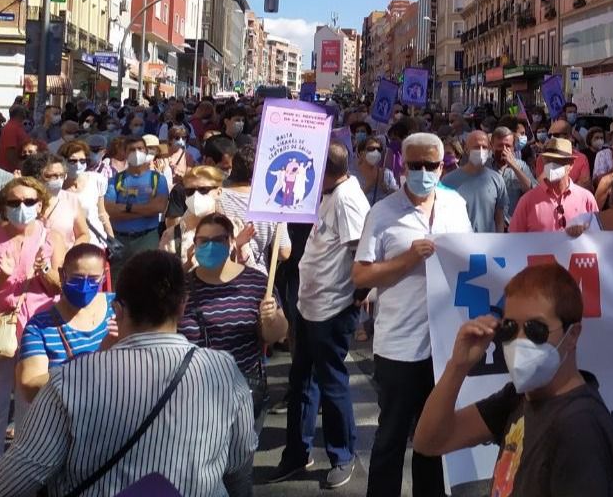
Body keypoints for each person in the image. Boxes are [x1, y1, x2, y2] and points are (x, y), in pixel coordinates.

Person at [0, 249, 256, 496]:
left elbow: (14, 480)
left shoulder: (70, 382)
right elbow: (239, 462)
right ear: (182, 305)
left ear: (118, 309)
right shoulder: (223, 370)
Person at [413, 263, 613, 496]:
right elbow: (430, 441)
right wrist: (458, 366)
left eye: (536, 329)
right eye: (510, 328)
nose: (520, 341)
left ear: (572, 335)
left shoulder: (579, 426)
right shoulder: (519, 398)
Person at [352, 132, 473, 497]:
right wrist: (407, 259)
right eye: (415, 165)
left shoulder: (455, 206)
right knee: (391, 438)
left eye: (430, 165)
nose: (423, 172)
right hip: (399, 346)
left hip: (443, 346)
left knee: (433, 439)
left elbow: (472, 257)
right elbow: (360, 275)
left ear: (441, 166)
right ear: (403, 166)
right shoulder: (383, 212)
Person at [268, 144, 368, 490]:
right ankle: (297, 453)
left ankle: (342, 455)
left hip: (332, 308)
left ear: (329, 172)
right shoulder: (328, 194)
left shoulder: (347, 199)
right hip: (309, 305)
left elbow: (363, 253)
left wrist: (356, 300)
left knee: (332, 384)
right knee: (302, 383)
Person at [0, 176, 68, 457]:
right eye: (14, 202)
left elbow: (61, 287)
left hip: (38, 328)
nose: (22, 207)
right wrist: (1, 277)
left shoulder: (51, 238)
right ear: (3, 207)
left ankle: (30, 463)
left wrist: (44, 271)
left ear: (39, 204)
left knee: (34, 398)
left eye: (29, 202)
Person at [179, 213, 288, 435]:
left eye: (217, 241)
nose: (210, 246)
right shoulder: (180, 288)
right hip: (193, 396)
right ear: (195, 244)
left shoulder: (257, 284)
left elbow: (277, 334)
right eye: (203, 241)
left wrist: (271, 319)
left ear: (230, 242)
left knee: (238, 465)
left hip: (243, 391)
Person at [16, 244, 117, 402]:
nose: (84, 287)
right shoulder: (39, 327)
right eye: (76, 279)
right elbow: (30, 388)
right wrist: (94, 359)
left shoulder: (120, 308)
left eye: (92, 279)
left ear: (103, 276)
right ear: (62, 274)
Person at [160, 166, 253, 267]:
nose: (195, 196)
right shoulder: (172, 236)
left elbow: (250, 272)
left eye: (203, 190)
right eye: (189, 192)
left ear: (219, 192)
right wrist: (187, 267)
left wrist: (240, 250)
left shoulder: (234, 229)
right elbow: (164, 278)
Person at [222, 146, 290, 274]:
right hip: (258, 280)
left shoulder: (218, 197)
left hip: (224, 276)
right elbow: (283, 252)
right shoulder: (273, 204)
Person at [103, 136, 169, 270]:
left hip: (147, 238)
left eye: (140, 149)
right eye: (132, 149)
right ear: (125, 153)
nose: (136, 152)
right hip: (120, 240)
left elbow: (159, 207)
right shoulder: (115, 180)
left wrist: (124, 208)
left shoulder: (157, 179)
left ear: (146, 152)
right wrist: (146, 210)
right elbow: (110, 210)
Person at [510, 138, 599, 233]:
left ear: (571, 164)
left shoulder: (586, 199)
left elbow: (597, 237)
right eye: (548, 161)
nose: (552, 166)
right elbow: (514, 239)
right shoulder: (527, 201)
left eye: (558, 161)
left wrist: (584, 231)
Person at [442, 131, 508, 233]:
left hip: (488, 244)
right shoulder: (448, 181)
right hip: (459, 244)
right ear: (466, 149)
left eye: (484, 147)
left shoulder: (497, 180)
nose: (481, 151)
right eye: (476, 147)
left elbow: (499, 218)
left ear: (489, 149)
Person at [165, 135, 237, 228]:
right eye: (224, 168)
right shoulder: (183, 188)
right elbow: (172, 226)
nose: (227, 172)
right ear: (209, 162)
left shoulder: (231, 188)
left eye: (230, 168)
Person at [19, 153, 91, 247]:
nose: (59, 180)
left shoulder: (71, 200)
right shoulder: (20, 201)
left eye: (62, 175)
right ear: (35, 177)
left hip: (65, 259)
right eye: (53, 176)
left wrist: (70, 254)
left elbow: (84, 234)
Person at [58, 141, 113, 251]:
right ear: (63, 161)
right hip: (68, 247)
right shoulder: (57, 187)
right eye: (72, 161)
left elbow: (102, 213)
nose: (78, 165)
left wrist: (111, 240)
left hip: (97, 244)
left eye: (83, 161)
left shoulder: (96, 180)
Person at [490, 126, 534, 224]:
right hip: (491, 227)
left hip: (514, 225)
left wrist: (513, 166)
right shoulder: (485, 166)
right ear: (492, 146)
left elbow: (531, 191)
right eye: (500, 145)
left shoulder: (521, 166)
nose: (504, 149)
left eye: (508, 146)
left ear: (513, 147)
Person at [536, 120, 592, 189]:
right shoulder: (542, 158)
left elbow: (584, 184)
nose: (552, 138)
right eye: (550, 135)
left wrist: (565, 194)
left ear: (568, 136)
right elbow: (540, 184)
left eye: (556, 135)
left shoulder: (581, 158)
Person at [0, 105, 29, 172]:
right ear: (20, 114)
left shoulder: (17, 127)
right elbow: (10, 151)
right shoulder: (11, 128)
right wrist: (20, 167)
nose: (25, 115)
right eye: (24, 112)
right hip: (11, 171)